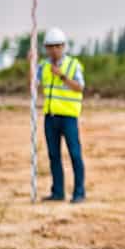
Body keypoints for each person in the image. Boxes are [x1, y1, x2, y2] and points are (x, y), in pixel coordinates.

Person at [37, 27, 87, 203]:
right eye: (50, 46)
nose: (54, 50)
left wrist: (63, 77)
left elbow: (80, 87)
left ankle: (79, 193)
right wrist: (30, 65)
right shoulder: (43, 66)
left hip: (68, 118)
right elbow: (34, 84)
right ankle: (57, 192)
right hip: (50, 117)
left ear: (64, 46)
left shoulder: (73, 65)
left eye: (57, 46)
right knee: (53, 155)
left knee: (74, 154)